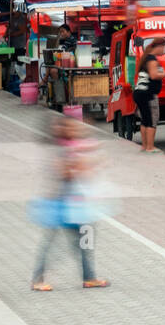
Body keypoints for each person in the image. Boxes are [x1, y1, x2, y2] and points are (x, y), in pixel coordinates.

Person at [31, 115, 109, 291]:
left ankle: (89, 277)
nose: (76, 131)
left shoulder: (69, 147)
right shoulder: (60, 149)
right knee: (57, 244)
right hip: (61, 205)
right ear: (63, 131)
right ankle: (38, 279)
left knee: (83, 241)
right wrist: (80, 167)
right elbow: (64, 173)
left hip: (73, 205)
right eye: (72, 128)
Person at [133, 46, 165, 154]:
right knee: (151, 119)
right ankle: (150, 147)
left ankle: (144, 146)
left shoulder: (146, 58)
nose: (164, 49)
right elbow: (154, 75)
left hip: (140, 92)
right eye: (164, 46)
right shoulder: (151, 59)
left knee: (145, 120)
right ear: (157, 47)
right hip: (148, 94)